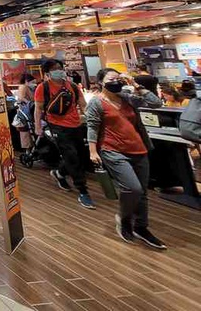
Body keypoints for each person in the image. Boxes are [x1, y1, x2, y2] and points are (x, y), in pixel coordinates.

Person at [86, 68, 166, 248]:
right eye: (111, 79)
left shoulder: (128, 98)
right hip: (112, 150)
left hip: (139, 148)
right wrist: (93, 151)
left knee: (143, 192)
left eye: (118, 78)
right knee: (132, 188)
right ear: (101, 82)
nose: (115, 81)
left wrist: (136, 85)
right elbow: (92, 126)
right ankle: (124, 218)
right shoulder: (97, 103)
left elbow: (156, 103)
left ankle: (141, 226)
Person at [34, 59, 94, 209]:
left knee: (80, 154)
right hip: (57, 126)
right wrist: (37, 127)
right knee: (71, 155)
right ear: (47, 73)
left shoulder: (72, 86)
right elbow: (38, 109)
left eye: (60, 68)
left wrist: (91, 118)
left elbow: (82, 104)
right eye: (54, 69)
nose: (58, 71)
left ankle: (60, 173)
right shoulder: (43, 88)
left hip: (76, 124)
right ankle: (83, 191)